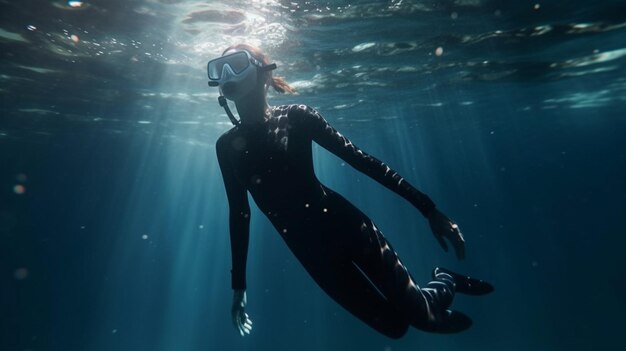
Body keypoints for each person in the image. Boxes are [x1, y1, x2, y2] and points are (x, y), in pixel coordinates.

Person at [208, 44, 493, 339]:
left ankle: (444, 279)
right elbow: (239, 214)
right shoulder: (226, 147)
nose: (227, 73)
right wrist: (238, 286)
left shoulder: (296, 117)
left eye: (237, 63)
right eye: (220, 67)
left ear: (262, 72)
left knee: (424, 318)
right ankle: (424, 299)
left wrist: (428, 209)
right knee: (395, 328)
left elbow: (361, 160)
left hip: (348, 227)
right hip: (312, 255)